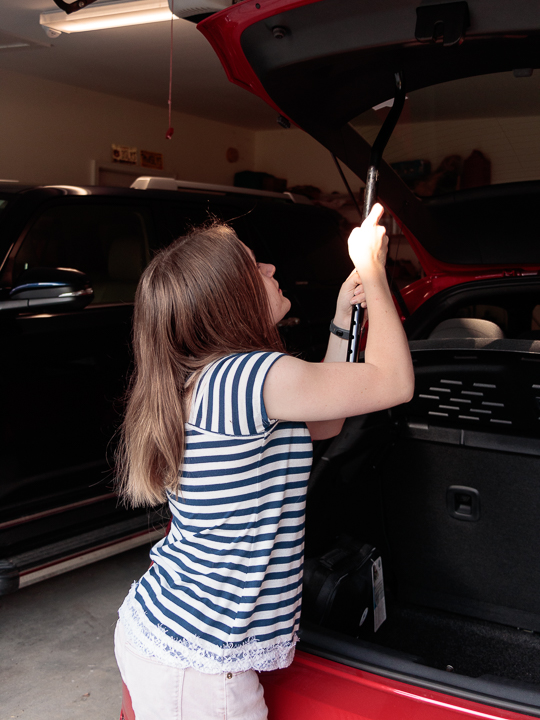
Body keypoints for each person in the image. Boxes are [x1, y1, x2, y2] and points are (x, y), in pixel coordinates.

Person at [113, 203, 414, 720]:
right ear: (229, 297)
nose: (271, 269)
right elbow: (394, 382)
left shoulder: (215, 378)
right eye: (254, 266)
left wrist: (343, 323)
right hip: (198, 665)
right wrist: (374, 271)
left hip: (172, 638)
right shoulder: (249, 376)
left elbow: (326, 423)